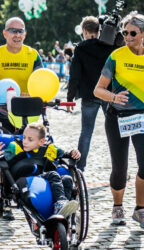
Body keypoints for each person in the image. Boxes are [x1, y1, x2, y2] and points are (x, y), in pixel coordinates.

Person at [93, 11, 144, 228]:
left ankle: (140, 210)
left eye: (133, 32)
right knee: (120, 167)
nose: (128, 36)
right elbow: (98, 90)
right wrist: (114, 97)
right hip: (118, 118)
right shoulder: (116, 56)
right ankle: (117, 207)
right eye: (125, 33)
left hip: (142, 118)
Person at [0, 123, 80, 217]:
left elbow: (66, 155)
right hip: (22, 182)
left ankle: (63, 209)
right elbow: (3, 160)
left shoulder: (50, 148)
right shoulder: (15, 147)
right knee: (53, 175)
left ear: (41, 141)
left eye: (30, 139)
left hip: (44, 179)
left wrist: (74, 153)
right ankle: (59, 204)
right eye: (24, 137)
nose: (25, 142)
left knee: (67, 179)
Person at [67, 16, 117, 172]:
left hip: (89, 96)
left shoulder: (81, 48)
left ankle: (80, 168)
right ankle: (119, 167)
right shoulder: (110, 47)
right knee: (114, 132)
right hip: (108, 94)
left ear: (84, 31)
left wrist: (70, 98)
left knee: (86, 132)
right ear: (99, 30)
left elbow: (74, 75)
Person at [0, 17, 43, 132]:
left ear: (24, 34)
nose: (17, 35)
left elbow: (40, 80)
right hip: (2, 108)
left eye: (20, 31)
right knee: (3, 145)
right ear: (5, 33)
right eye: (13, 31)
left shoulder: (33, 55)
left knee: (28, 145)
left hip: (27, 106)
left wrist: (32, 93)